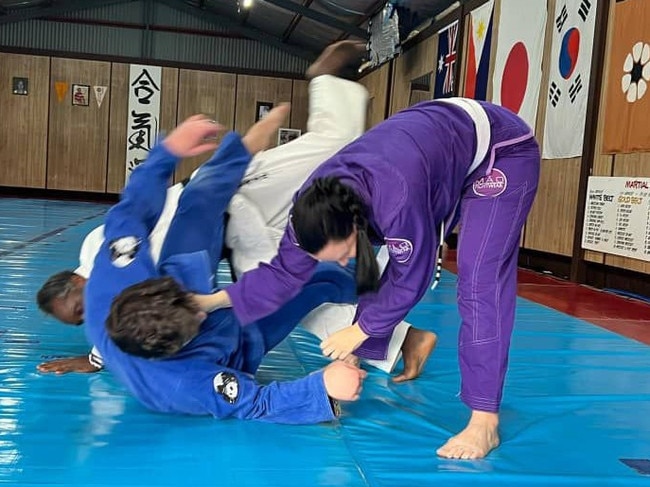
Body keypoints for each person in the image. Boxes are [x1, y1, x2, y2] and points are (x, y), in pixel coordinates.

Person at [37, 40, 435, 378]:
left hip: (229, 199)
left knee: (336, 145)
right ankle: (400, 339)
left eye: (79, 308)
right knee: (280, 292)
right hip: (229, 231)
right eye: (80, 321)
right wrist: (94, 356)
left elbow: (140, 209)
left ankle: (327, 76)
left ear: (76, 282)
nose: (89, 317)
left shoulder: (104, 254)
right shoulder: (110, 292)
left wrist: (176, 151)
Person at [197, 98, 541, 458]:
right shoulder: (309, 212)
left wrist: (359, 331)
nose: (345, 257)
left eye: (345, 247)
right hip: (435, 146)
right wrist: (214, 300)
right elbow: (283, 274)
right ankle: (362, 357)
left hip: (501, 151)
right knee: (356, 267)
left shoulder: (397, 196)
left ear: (356, 224)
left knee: (478, 282)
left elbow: (413, 274)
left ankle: (484, 422)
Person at [84, 108, 367, 423]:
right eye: (196, 319)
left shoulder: (116, 276)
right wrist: (322, 387)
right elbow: (255, 403)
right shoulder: (181, 384)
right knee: (313, 278)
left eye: (193, 307)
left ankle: (241, 152)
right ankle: (369, 282)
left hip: (178, 276)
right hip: (237, 342)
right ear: (175, 347)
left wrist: (166, 153)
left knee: (199, 198)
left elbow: (130, 212)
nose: (205, 309)